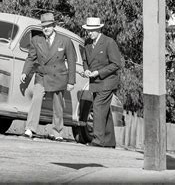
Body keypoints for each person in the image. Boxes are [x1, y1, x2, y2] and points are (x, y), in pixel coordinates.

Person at [20, 12, 76, 141]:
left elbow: (72, 61)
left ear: (54, 26)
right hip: (42, 75)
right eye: (43, 26)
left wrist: (71, 81)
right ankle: (30, 128)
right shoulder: (36, 40)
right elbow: (31, 58)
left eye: (48, 26)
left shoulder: (65, 41)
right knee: (37, 98)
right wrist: (25, 72)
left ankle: (57, 132)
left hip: (59, 77)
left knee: (58, 105)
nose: (46, 29)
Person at [81, 16, 121, 148]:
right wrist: (86, 70)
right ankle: (109, 141)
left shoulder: (109, 42)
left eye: (92, 30)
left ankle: (98, 140)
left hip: (107, 81)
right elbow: (85, 61)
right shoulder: (87, 44)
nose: (89, 33)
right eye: (88, 30)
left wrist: (98, 72)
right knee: (105, 111)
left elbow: (116, 64)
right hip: (94, 82)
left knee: (98, 107)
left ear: (99, 29)